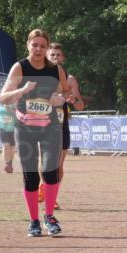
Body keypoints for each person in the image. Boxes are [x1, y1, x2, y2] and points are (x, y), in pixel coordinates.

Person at [0, 29, 69, 237]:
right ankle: (34, 221)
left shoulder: (56, 69)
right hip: (26, 128)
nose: (38, 49)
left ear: (47, 48)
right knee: (30, 176)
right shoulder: (19, 68)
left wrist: (60, 98)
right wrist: (22, 91)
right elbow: (3, 97)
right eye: (35, 45)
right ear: (28, 45)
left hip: (50, 127)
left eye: (42, 46)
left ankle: (49, 216)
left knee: (50, 172)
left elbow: (66, 90)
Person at [45, 43, 84, 206]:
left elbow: (80, 105)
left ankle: (52, 196)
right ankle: (45, 187)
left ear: (63, 57)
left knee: (58, 164)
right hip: (43, 123)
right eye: (52, 55)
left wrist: (73, 100)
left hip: (61, 125)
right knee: (45, 162)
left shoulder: (70, 79)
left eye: (58, 55)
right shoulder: (40, 77)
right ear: (46, 57)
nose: (55, 57)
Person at [0, 100, 16, 173]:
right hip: (1, 128)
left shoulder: (14, 101)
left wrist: (10, 110)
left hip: (13, 128)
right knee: (6, 146)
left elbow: (17, 113)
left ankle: (10, 163)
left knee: (12, 148)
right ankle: (7, 164)